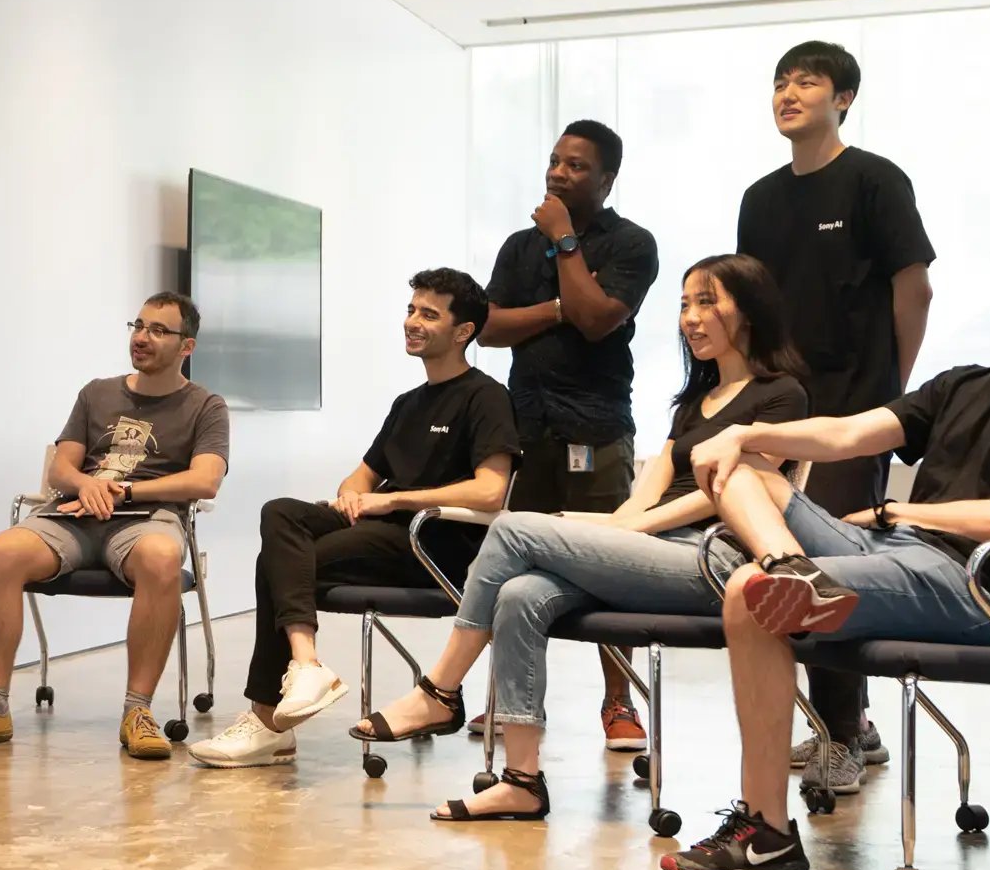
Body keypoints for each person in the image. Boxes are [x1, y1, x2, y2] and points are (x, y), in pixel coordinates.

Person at [664, 226, 990, 870]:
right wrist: (746, 429)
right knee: (741, 468)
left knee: (749, 590)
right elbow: (849, 432)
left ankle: (765, 831)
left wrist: (899, 512)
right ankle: (792, 570)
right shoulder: (965, 381)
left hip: (971, 586)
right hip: (888, 555)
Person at [356, 257, 808, 819]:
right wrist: (620, 525)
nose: (690, 318)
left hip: (712, 560)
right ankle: (521, 781)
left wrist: (628, 530)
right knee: (521, 594)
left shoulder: (782, 395)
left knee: (515, 525)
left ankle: (440, 690)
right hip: (649, 549)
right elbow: (654, 482)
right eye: (685, 305)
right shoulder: (695, 401)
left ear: (751, 311)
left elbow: (730, 490)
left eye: (706, 302)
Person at [187, 269, 517, 768]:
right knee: (280, 515)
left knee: (278, 564)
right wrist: (352, 498)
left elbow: (491, 490)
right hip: (383, 531)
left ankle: (270, 722)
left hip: (434, 543)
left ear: (463, 331)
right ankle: (305, 666)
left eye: (429, 314)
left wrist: (392, 501)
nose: (412, 321)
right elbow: (361, 477)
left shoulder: (486, 396)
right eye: (411, 310)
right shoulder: (408, 404)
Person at [738, 40, 936, 793]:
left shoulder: (875, 181)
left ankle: (841, 734)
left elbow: (912, 292)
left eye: (807, 82)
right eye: (780, 82)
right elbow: (751, 307)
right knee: (773, 560)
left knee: (828, 567)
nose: (789, 93)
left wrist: (893, 395)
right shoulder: (760, 198)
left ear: (843, 97)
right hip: (780, 410)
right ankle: (846, 722)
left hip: (855, 406)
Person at [0, 294, 229, 761]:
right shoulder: (97, 392)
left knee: (162, 557)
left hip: (145, 519)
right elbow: (62, 469)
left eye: (158, 331)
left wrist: (125, 492)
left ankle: (138, 711)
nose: (141, 337)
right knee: (2, 552)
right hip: (72, 515)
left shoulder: (206, 405)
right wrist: (85, 484)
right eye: (139, 325)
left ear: (186, 346)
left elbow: (206, 480)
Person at [477, 120, 661, 750]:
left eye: (576, 166)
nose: (557, 172)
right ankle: (507, 701)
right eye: (554, 160)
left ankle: (618, 704)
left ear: (607, 179)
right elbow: (489, 326)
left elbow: (594, 319)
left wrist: (563, 241)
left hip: (597, 430)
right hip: (528, 427)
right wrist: (555, 307)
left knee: (610, 568)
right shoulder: (515, 246)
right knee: (512, 569)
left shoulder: (632, 245)